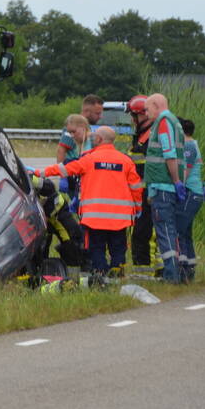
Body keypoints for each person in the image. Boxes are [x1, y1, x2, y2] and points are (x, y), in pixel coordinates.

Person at [34, 127, 142, 284]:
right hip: (119, 218)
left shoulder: (89, 159)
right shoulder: (125, 161)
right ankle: (117, 275)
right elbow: (136, 188)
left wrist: (39, 173)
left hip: (95, 217)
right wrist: (137, 208)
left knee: (96, 247)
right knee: (118, 248)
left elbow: (64, 169)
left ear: (99, 139)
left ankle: (100, 277)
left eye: (94, 137)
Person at [143, 93, 186, 283]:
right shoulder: (175, 123)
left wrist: (176, 181)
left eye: (147, 109)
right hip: (166, 185)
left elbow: (169, 154)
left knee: (164, 230)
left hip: (163, 185)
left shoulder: (163, 122)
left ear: (156, 104)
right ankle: (177, 273)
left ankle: (171, 274)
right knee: (170, 229)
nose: (146, 114)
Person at [126, 94, 158, 277]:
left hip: (148, 193)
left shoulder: (151, 137)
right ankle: (149, 270)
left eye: (134, 116)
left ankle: (146, 272)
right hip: (140, 193)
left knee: (144, 232)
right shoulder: (141, 136)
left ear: (143, 115)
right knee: (141, 232)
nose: (132, 120)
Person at [177, 117, 204, 282]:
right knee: (186, 233)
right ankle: (189, 270)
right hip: (193, 193)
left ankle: (183, 270)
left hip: (190, 193)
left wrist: (176, 185)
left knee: (179, 231)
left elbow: (184, 174)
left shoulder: (188, 146)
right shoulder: (191, 144)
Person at [54, 95, 103, 163]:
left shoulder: (87, 127)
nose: (100, 116)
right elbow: (61, 150)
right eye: (97, 113)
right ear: (87, 111)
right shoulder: (73, 126)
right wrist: (61, 169)